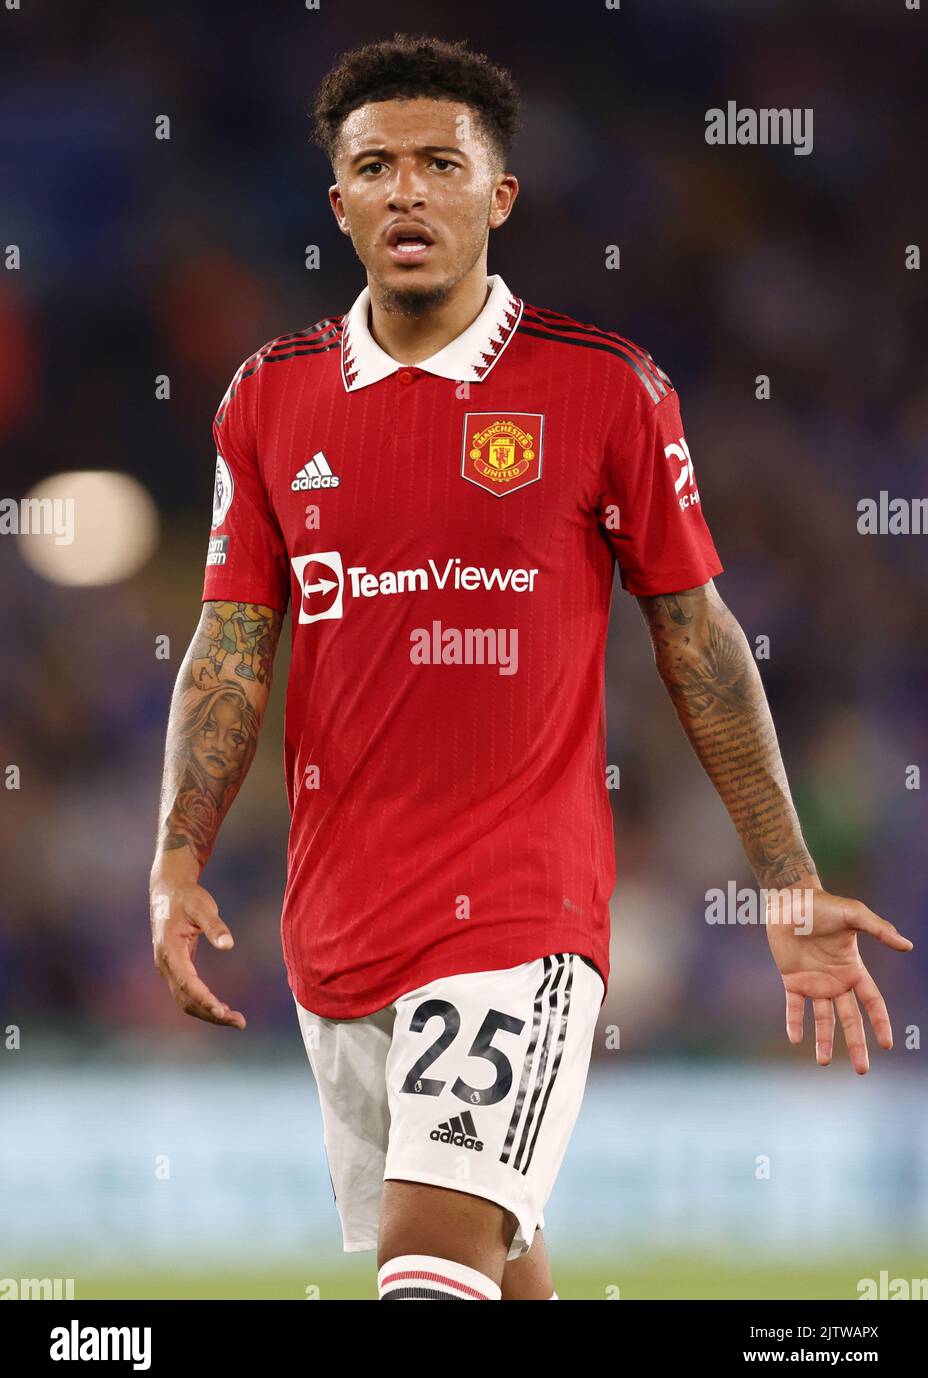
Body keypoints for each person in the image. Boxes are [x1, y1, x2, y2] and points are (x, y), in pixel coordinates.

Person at [149, 33, 913, 1302]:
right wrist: (177, 856)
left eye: (441, 164)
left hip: (517, 913)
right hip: (332, 920)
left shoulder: (602, 388)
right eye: (375, 167)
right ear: (335, 202)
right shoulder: (266, 399)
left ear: (498, 195)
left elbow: (697, 634)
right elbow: (232, 645)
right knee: (499, 1260)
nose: (407, 191)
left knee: (426, 1264)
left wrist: (784, 879)